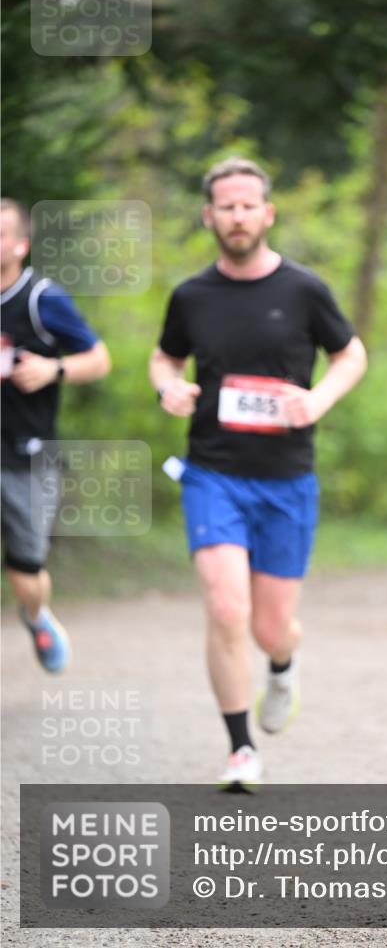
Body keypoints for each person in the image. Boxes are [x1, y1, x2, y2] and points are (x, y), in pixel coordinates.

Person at [150, 156, 366, 790]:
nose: (237, 216)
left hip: (286, 479)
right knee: (225, 608)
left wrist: (317, 401)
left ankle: (283, 662)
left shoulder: (303, 290)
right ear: (209, 216)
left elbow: (351, 355)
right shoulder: (192, 296)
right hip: (212, 474)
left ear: (267, 214)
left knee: (270, 627)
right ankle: (241, 749)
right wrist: (169, 387)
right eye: (227, 206)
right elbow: (165, 359)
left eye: (248, 205)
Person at [1, 198, 111, 672]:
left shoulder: (41, 299)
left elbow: (99, 360)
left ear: (21, 245)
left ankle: (36, 615)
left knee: (26, 570)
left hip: (25, 455)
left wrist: (53, 369)